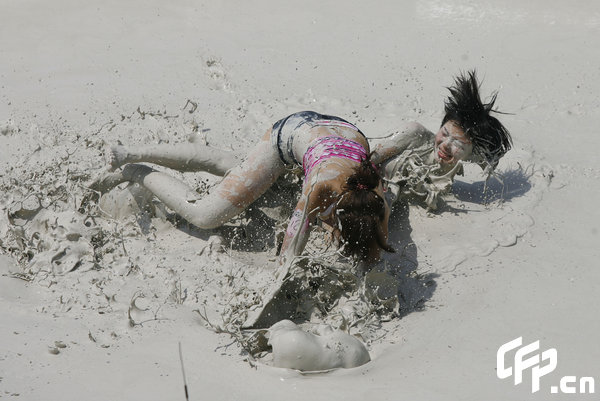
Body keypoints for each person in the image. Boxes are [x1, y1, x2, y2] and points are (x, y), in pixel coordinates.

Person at [90, 70, 511, 266]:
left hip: (337, 141)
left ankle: (131, 153)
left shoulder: (439, 168)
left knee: (240, 174)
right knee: (208, 216)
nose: (448, 148)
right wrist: (286, 266)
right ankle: (131, 165)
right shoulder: (333, 185)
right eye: (447, 136)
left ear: (473, 153)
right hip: (294, 135)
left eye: (460, 146)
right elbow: (296, 232)